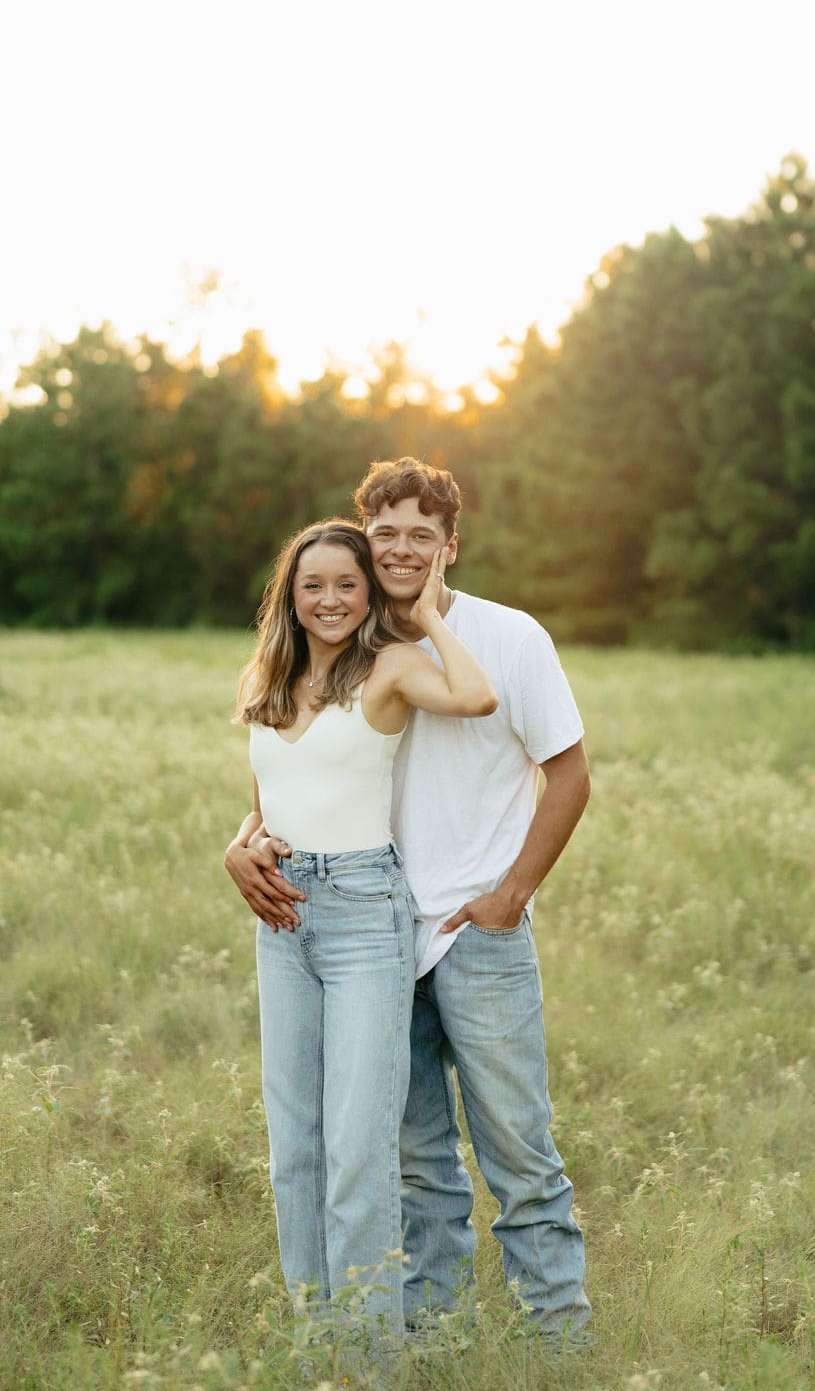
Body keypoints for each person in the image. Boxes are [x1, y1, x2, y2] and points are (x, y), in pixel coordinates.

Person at [231, 461, 593, 1345]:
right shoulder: (347, 643)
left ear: (448, 547)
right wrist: (242, 842)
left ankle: (559, 1346)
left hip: (475, 931)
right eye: (384, 532)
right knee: (415, 1164)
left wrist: (509, 896)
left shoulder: (507, 637)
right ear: (364, 539)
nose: (399, 548)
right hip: (377, 932)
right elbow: (305, 771)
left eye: (419, 535)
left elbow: (571, 776)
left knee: (517, 1152)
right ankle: (435, 1342)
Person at [225, 518, 497, 1350]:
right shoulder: (268, 679)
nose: (332, 599)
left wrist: (423, 612)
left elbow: (477, 694)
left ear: (368, 592)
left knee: (356, 1151)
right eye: (315, 585)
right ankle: (320, 1349)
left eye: (349, 583)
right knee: (293, 1150)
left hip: (362, 921)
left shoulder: (390, 668)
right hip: (286, 919)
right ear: (292, 596)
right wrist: (239, 847)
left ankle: (371, 1359)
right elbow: (275, 799)